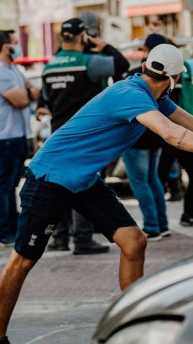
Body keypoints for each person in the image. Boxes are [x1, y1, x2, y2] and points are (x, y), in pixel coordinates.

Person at [0, 43, 193, 344]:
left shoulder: (156, 98)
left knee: (134, 242)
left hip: (83, 180)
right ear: (173, 78)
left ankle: (132, 326)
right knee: (23, 261)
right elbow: (173, 135)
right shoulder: (131, 95)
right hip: (50, 178)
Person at [42, 17, 129, 254]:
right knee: (85, 182)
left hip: (57, 132)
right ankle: (82, 238)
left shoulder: (49, 66)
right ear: (83, 36)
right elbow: (121, 64)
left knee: (59, 184)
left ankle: (60, 237)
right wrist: (105, 46)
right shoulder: (90, 62)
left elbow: (46, 100)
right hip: (87, 134)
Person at [157, 17, 193, 227]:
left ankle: (189, 213)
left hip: (187, 132)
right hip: (162, 133)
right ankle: (157, 220)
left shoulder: (187, 68)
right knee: (157, 178)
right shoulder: (153, 73)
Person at [0, 30, 39, 247]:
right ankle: (3, 231)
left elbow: (33, 91)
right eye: (15, 43)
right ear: (6, 47)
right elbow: (22, 100)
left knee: (12, 184)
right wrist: (27, 93)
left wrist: (28, 92)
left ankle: (12, 225)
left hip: (18, 135)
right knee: (3, 185)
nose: (18, 47)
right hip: (3, 137)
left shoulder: (13, 68)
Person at [121, 33, 171, 241]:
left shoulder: (136, 76)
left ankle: (152, 226)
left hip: (137, 138)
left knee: (141, 181)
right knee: (152, 179)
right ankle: (162, 223)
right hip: (157, 135)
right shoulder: (168, 77)